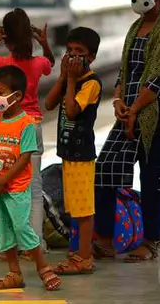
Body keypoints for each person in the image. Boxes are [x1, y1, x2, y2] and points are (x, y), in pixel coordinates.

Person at [94, 0, 160, 263]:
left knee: (152, 178)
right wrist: (119, 102)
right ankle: (105, 237)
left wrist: (133, 109)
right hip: (129, 110)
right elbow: (125, 72)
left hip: (154, 112)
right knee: (106, 168)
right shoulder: (136, 27)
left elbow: (159, 79)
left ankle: (150, 241)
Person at [0, 8, 56, 252]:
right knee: (34, 188)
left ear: (5, 38)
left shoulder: (1, 63)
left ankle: (11, 243)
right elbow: (50, 63)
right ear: (30, 37)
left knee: (9, 187)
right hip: (33, 125)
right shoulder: (39, 63)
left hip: (8, 129)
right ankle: (35, 243)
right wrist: (44, 44)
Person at [0, 65, 62, 291]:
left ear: (16, 96)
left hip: (16, 188)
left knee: (21, 227)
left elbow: (25, 158)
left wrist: (3, 180)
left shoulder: (26, 124)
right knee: (3, 228)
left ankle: (43, 268)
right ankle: (14, 272)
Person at [44, 27, 103, 275]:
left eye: (79, 51)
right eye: (69, 50)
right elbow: (48, 104)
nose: (73, 56)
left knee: (83, 209)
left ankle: (84, 257)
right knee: (74, 208)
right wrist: (62, 77)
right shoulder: (71, 79)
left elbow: (71, 111)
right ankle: (78, 250)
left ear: (91, 57)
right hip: (68, 154)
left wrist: (70, 80)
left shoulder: (90, 84)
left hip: (81, 155)